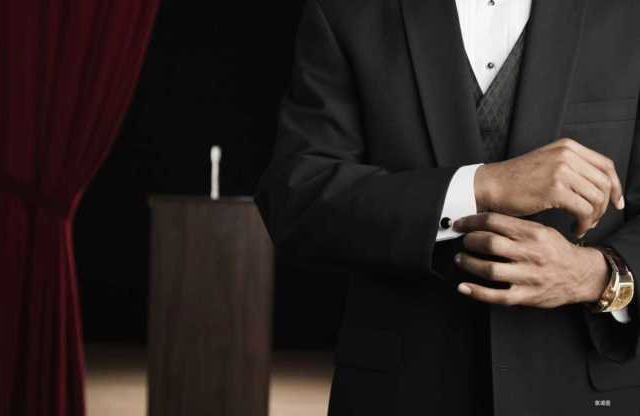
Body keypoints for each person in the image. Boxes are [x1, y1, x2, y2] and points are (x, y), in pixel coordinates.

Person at [254, 0, 640, 414]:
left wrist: (594, 276)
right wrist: (483, 185)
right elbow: (300, 200)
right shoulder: (348, 10)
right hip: (400, 393)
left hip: (585, 392)